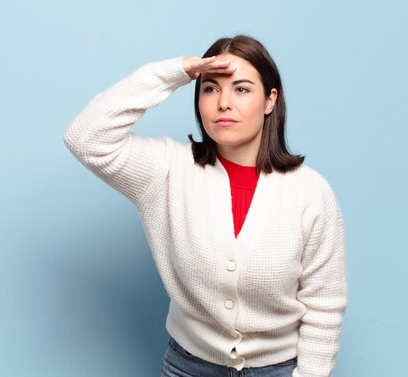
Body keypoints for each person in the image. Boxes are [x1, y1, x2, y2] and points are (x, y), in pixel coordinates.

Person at [64, 35, 347, 377]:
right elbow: (85, 137)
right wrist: (177, 71)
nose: (223, 102)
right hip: (188, 368)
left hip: (278, 370)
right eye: (210, 89)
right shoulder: (166, 170)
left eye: (241, 89)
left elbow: (325, 304)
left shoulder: (310, 192)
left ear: (270, 100)